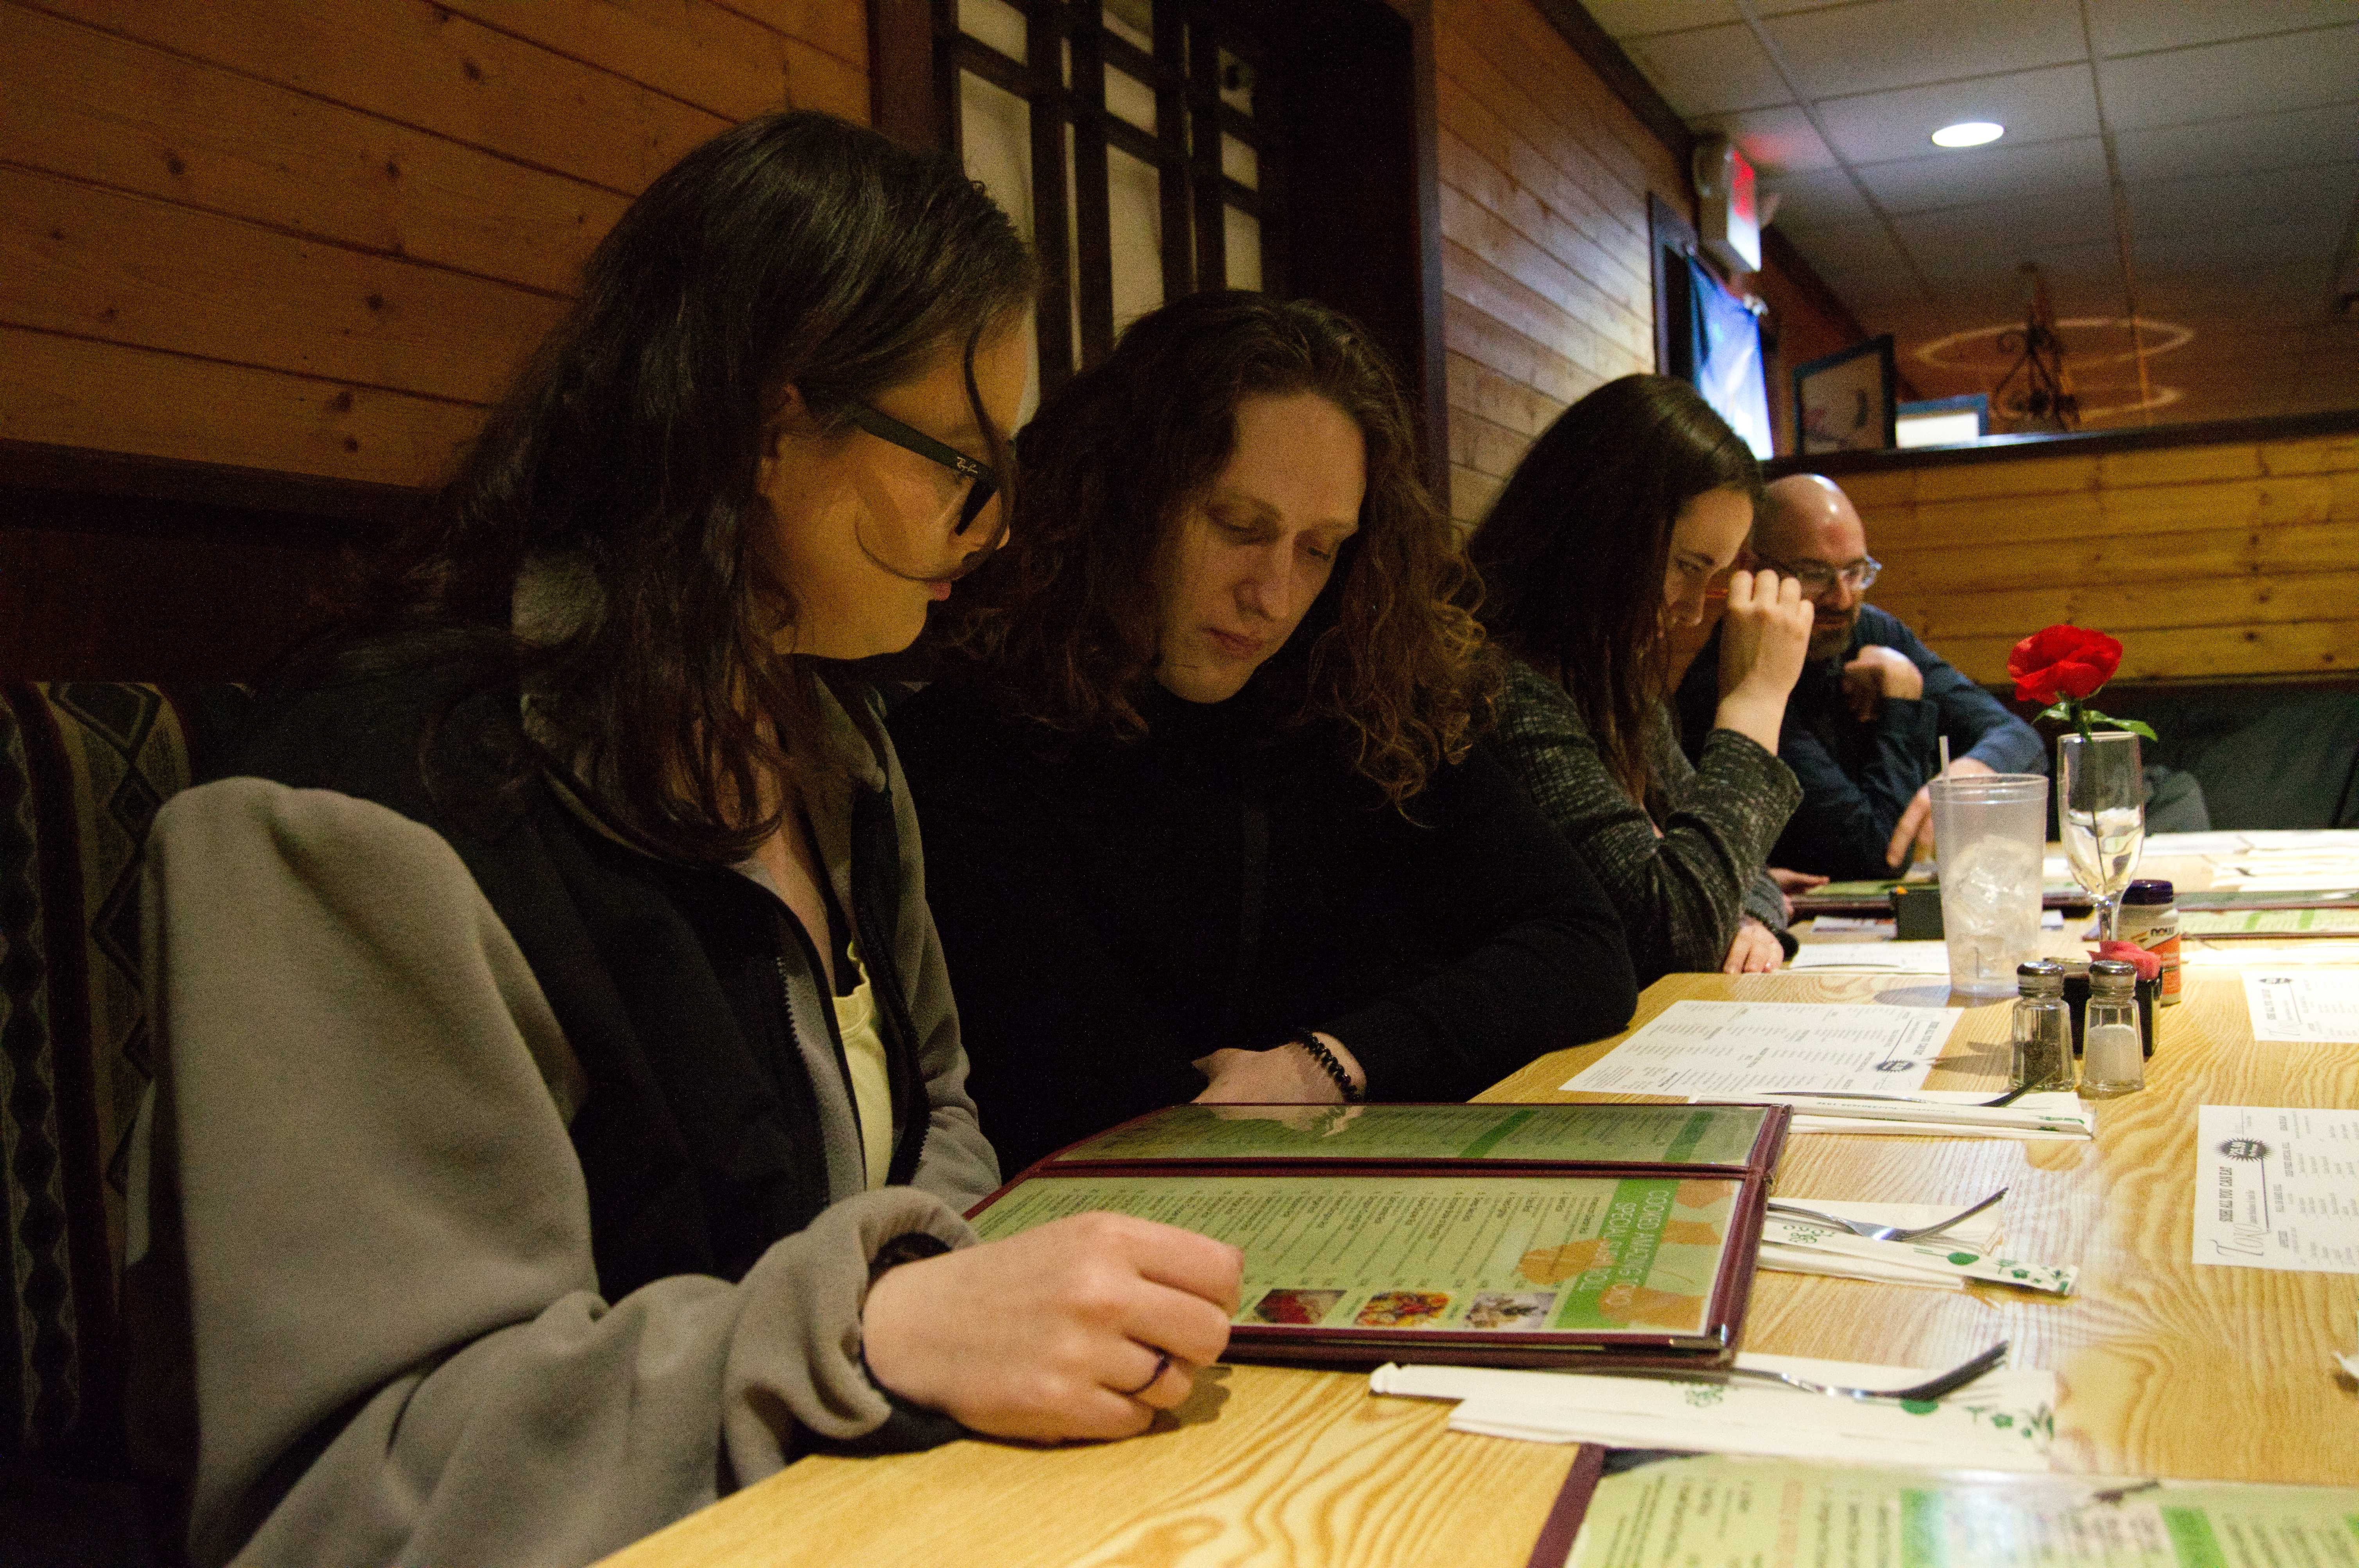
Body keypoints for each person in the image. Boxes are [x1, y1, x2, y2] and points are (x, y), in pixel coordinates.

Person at [124, 113, 1243, 1568]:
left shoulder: (838, 746)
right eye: (957, 460)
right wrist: (870, 1332)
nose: (995, 527)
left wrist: (945, 1310)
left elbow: (942, 1102)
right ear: (761, 432)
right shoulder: (360, 809)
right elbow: (353, 1481)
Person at [889, 292, 1638, 1176]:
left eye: (1320, 549)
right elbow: (1113, 1108)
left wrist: (1328, 1066)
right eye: (1239, 528)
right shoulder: (977, 739)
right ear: (1121, 498)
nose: (1274, 595)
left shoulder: (1352, 691)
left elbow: (1587, 946)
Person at [1467, 375, 1817, 984]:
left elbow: (1739, 865)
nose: (1689, 612)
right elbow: (1672, 931)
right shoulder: (1497, 685)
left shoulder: (1610, 682)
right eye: (1687, 566)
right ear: (1601, 524)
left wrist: (1749, 913)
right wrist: (1756, 702)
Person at [1673, 472, 2044, 881]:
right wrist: (1904, 702)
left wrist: (1978, 768)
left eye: (1855, 572)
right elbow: (1877, 854)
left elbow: (2019, 738)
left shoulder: (1872, 631)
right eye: (1814, 573)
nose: (1842, 597)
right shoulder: (1731, 674)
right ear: (1750, 567)